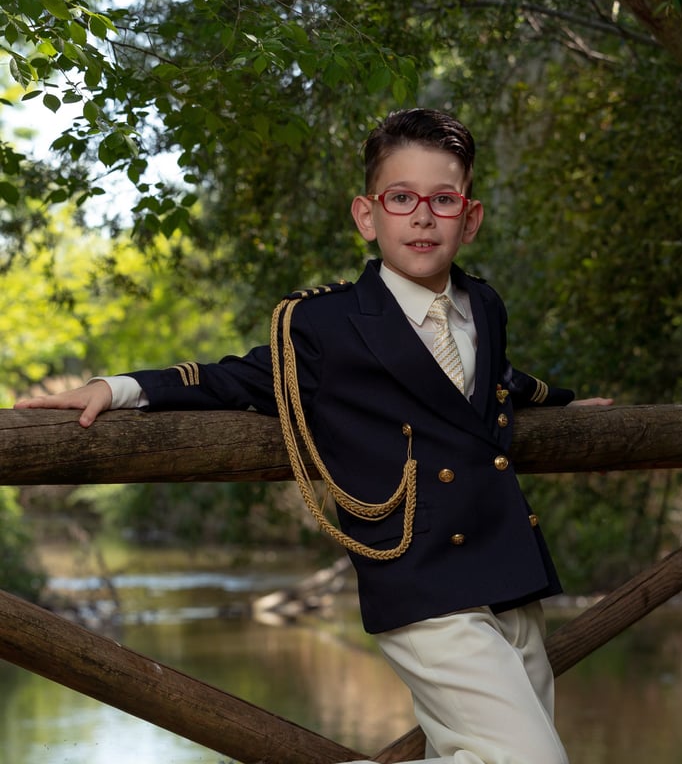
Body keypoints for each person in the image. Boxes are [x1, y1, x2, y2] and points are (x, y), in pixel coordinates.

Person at [16, 108, 612, 764]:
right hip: (422, 577)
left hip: (508, 566)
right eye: (401, 198)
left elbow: (492, 381)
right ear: (368, 214)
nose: (422, 216)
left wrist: (566, 403)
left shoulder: (485, 304)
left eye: (443, 200)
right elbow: (231, 380)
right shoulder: (324, 325)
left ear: (469, 217)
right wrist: (118, 388)